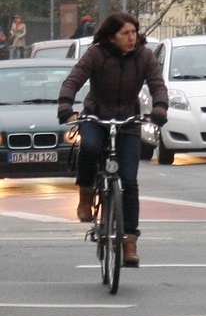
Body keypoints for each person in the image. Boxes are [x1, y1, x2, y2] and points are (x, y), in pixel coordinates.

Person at [56, 13, 169, 267]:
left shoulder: (144, 56)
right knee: (90, 147)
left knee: (129, 181)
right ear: (111, 37)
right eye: (125, 34)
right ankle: (86, 194)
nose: (132, 38)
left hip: (128, 122)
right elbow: (74, 80)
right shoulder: (96, 54)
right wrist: (66, 106)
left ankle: (129, 241)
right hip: (97, 116)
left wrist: (160, 108)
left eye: (134, 32)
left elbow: (157, 85)